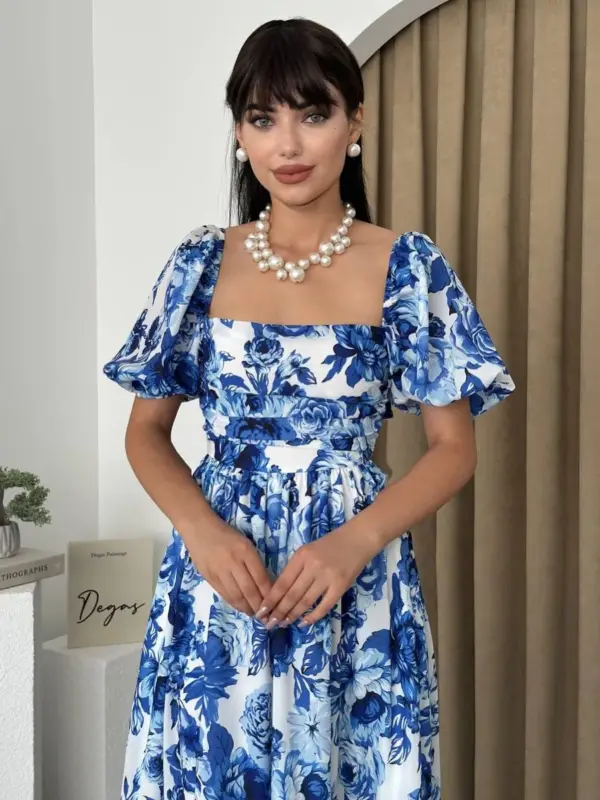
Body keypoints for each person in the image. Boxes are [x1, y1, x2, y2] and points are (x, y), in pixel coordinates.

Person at [103, 17, 515, 800]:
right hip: (222, 581)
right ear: (240, 134)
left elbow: (454, 448)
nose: (287, 144)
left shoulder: (408, 268)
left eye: (313, 113)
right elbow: (146, 433)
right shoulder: (200, 264)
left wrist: (355, 541)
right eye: (263, 118)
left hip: (354, 582)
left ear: (354, 123)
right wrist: (202, 532)